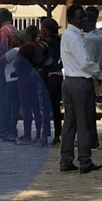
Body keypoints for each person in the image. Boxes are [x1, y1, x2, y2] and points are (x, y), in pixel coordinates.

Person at [60, 5, 102, 174]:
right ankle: (85, 160)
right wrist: (98, 74)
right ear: (71, 18)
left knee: (69, 123)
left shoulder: (67, 34)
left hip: (69, 81)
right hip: (81, 82)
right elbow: (85, 63)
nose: (83, 20)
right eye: (80, 17)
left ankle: (66, 160)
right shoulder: (76, 37)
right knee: (84, 123)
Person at [15, 28, 42, 145]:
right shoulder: (39, 46)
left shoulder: (25, 47)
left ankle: (27, 135)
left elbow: (17, 62)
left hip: (24, 78)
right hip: (36, 79)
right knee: (36, 108)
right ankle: (39, 135)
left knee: (26, 109)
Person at [0, 9, 17, 139]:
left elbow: (2, 50)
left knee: (1, 97)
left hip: (3, 67)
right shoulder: (13, 29)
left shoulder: (3, 31)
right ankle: (10, 128)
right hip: (14, 68)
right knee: (10, 100)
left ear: (2, 16)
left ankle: (3, 127)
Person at [40, 18, 63, 146]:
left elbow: (40, 60)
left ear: (48, 30)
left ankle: (45, 135)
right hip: (58, 75)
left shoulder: (44, 43)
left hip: (46, 75)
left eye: (43, 28)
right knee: (55, 108)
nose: (41, 30)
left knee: (45, 106)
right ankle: (57, 135)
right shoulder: (61, 41)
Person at [84, 6, 102, 149]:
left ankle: (90, 140)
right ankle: (92, 139)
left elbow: (88, 61)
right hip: (95, 75)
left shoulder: (90, 39)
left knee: (86, 111)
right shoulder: (99, 36)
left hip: (89, 76)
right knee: (90, 110)